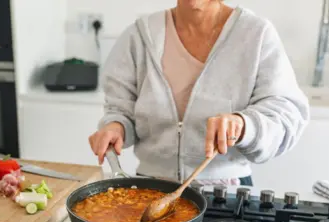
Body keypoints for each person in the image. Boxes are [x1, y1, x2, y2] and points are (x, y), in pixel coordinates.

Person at [88, 0, 310, 186]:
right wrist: (116, 126)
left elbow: (284, 113)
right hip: (151, 187)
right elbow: (120, 108)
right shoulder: (139, 35)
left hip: (228, 192)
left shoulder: (257, 34)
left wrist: (244, 125)